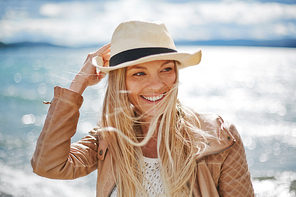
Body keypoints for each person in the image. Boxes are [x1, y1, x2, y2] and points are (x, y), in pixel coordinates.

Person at [31, 20, 255, 197]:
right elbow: (48, 166)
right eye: (139, 73)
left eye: (166, 69)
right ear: (121, 82)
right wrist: (78, 83)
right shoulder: (108, 137)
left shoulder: (219, 136)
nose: (157, 84)